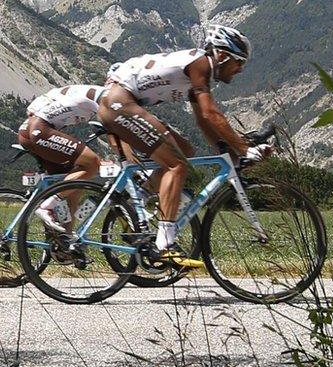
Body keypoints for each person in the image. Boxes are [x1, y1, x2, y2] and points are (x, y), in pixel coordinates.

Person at [97, 25, 265, 267]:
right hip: (119, 102)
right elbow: (211, 113)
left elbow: (203, 121)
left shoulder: (198, 70)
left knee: (185, 151)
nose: (240, 70)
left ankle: (139, 200)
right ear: (224, 56)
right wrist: (244, 148)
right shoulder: (201, 64)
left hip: (121, 102)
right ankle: (164, 243)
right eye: (239, 63)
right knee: (176, 165)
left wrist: (229, 154)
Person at [17, 82, 107, 232]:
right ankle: (48, 206)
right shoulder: (106, 98)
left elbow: (31, 108)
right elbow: (114, 129)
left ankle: (63, 240)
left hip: (27, 131)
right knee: (92, 163)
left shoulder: (69, 92)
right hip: (40, 130)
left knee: (74, 183)